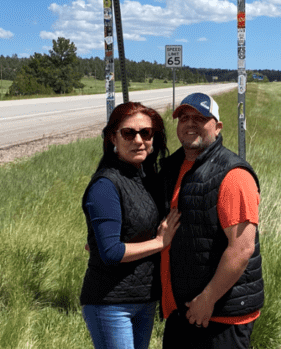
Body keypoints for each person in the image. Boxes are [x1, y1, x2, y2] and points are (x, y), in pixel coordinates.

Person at [158, 93, 264, 349]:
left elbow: (241, 248)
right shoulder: (172, 167)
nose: (190, 123)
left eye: (200, 118)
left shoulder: (233, 174)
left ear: (217, 127)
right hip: (181, 310)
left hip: (219, 315)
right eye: (184, 118)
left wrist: (208, 298)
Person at [80, 102, 180, 349]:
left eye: (145, 133)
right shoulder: (106, 185)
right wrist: (160, 243)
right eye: (129, 133)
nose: (138, 140)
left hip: (144, 298)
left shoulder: (146, 179)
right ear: (113, 137)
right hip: (111, 303)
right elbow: (112, 252)